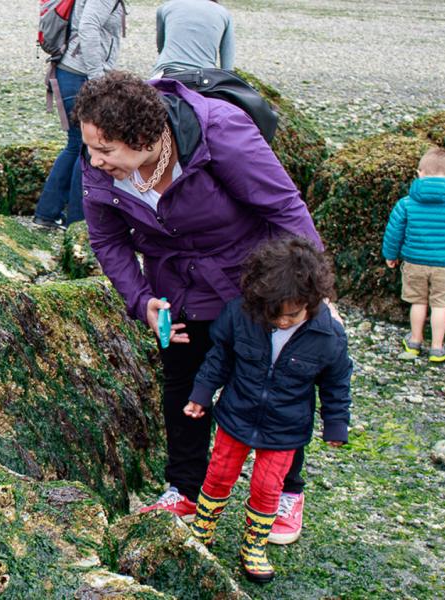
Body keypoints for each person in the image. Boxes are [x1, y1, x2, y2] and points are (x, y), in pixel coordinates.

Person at [74, 71, 333, 545]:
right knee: (183, 383)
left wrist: (311, 295)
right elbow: (106, 239)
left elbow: (285, 209)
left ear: (145, 138)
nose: (93, 160)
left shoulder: (220, 131)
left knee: (269, 384)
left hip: (248, 279)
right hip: (174, 285)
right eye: (89, 147)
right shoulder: (98, 163)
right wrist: (140, 300)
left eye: (106, 150)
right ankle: (184, 489)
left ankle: (287, 493)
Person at [183, 237, 352, 584]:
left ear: (313, 301)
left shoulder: (328, 336)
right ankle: (202, 529)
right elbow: (220, 357)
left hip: (285, 428)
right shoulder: (241, 314)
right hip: (236, 413)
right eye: (274, 314)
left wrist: (335, 424)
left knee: (267, 486)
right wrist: (201, 394)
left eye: (292, 314)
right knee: (218, 472)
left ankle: (254, 545)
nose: (283, 321)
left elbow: (337, 382)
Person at [33, 0, 125, 230]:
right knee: (84, 148)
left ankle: (47, 214)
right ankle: (78, 222)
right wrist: (97, 76)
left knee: (76, 146)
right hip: (80, 76)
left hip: (69, 71)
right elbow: (88, 27)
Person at [381, 147, 445, 363]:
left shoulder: (406, 203)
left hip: (414, 262)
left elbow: (394, 231)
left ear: (419, 173)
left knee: (418, 302)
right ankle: (437, 348)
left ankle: (414, 342)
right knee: (440, 305)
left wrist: (390, 254)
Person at [152, 0, 235, 78]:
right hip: (204, 78)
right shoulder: (224, 14)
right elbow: (227, 68)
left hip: (165, 74)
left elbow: (161, 48)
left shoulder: (166, 7)